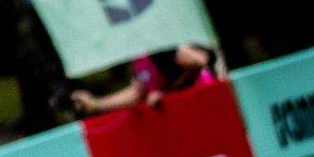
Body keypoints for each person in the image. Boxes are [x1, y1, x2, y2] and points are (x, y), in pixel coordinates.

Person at [69, 43, 222, 116]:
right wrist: (96, 104)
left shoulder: (159, 49)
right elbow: (137, 92)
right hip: (185, 116)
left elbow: (200, 60)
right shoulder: (138, 60)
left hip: (207, 104)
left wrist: (165, 91)